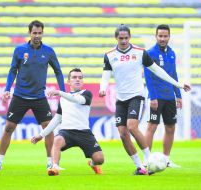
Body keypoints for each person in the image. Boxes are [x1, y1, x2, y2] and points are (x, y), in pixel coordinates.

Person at [99, 24, 190, 175]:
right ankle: (140, 166)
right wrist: (103, 87)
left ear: (130, 38)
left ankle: (149, 160)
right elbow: (106, 74)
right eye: (120, 38)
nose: (123, 41)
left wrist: (178, 85)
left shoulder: (140, 53)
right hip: (121, 98)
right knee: (122, 133)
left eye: (126, 38)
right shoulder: (109, 55)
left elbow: (158, 71)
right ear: (116, 38)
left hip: (137, 95)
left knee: (132, 126)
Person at [0, 20, 65, 170]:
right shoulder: (19, 50)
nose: (37, 35)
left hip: (39, 97)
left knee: (48, 128)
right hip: (20, 96)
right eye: (34, 33)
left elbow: (58, 71)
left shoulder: (49, 51)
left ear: (43, 33)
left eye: (39, 33)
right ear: (29, 33)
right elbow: (13, 70)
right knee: (9, 127)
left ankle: (50, 161)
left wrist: (62, 92)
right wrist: (7, 89)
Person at [31, 68, 104, 176]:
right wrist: (41, 135)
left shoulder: (86, 93)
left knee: (99, 159)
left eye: (80, 77)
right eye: (74, 77)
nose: (78, 79)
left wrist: (60, 92)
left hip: (84, 132)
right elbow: (57, 119)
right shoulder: (63, 99)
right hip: (67, 132)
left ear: (83, 81)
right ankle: (54, 167)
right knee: (57, 140)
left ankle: (92, 164)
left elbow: (78, 100)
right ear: (68, 82)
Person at [144, 24, 183, 168]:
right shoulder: (150, 53)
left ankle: (166, 159)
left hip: (169, 97)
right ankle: (146, 160)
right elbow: (148, 77)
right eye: (160, 36)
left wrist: (178, 95)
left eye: (165, 36)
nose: (162, 38)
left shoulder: (172, 53)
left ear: (169, 37)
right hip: (157, 97)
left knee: (170, 127)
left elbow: (173, 75)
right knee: (152, 127)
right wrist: (152, 97)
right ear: (156, 36)